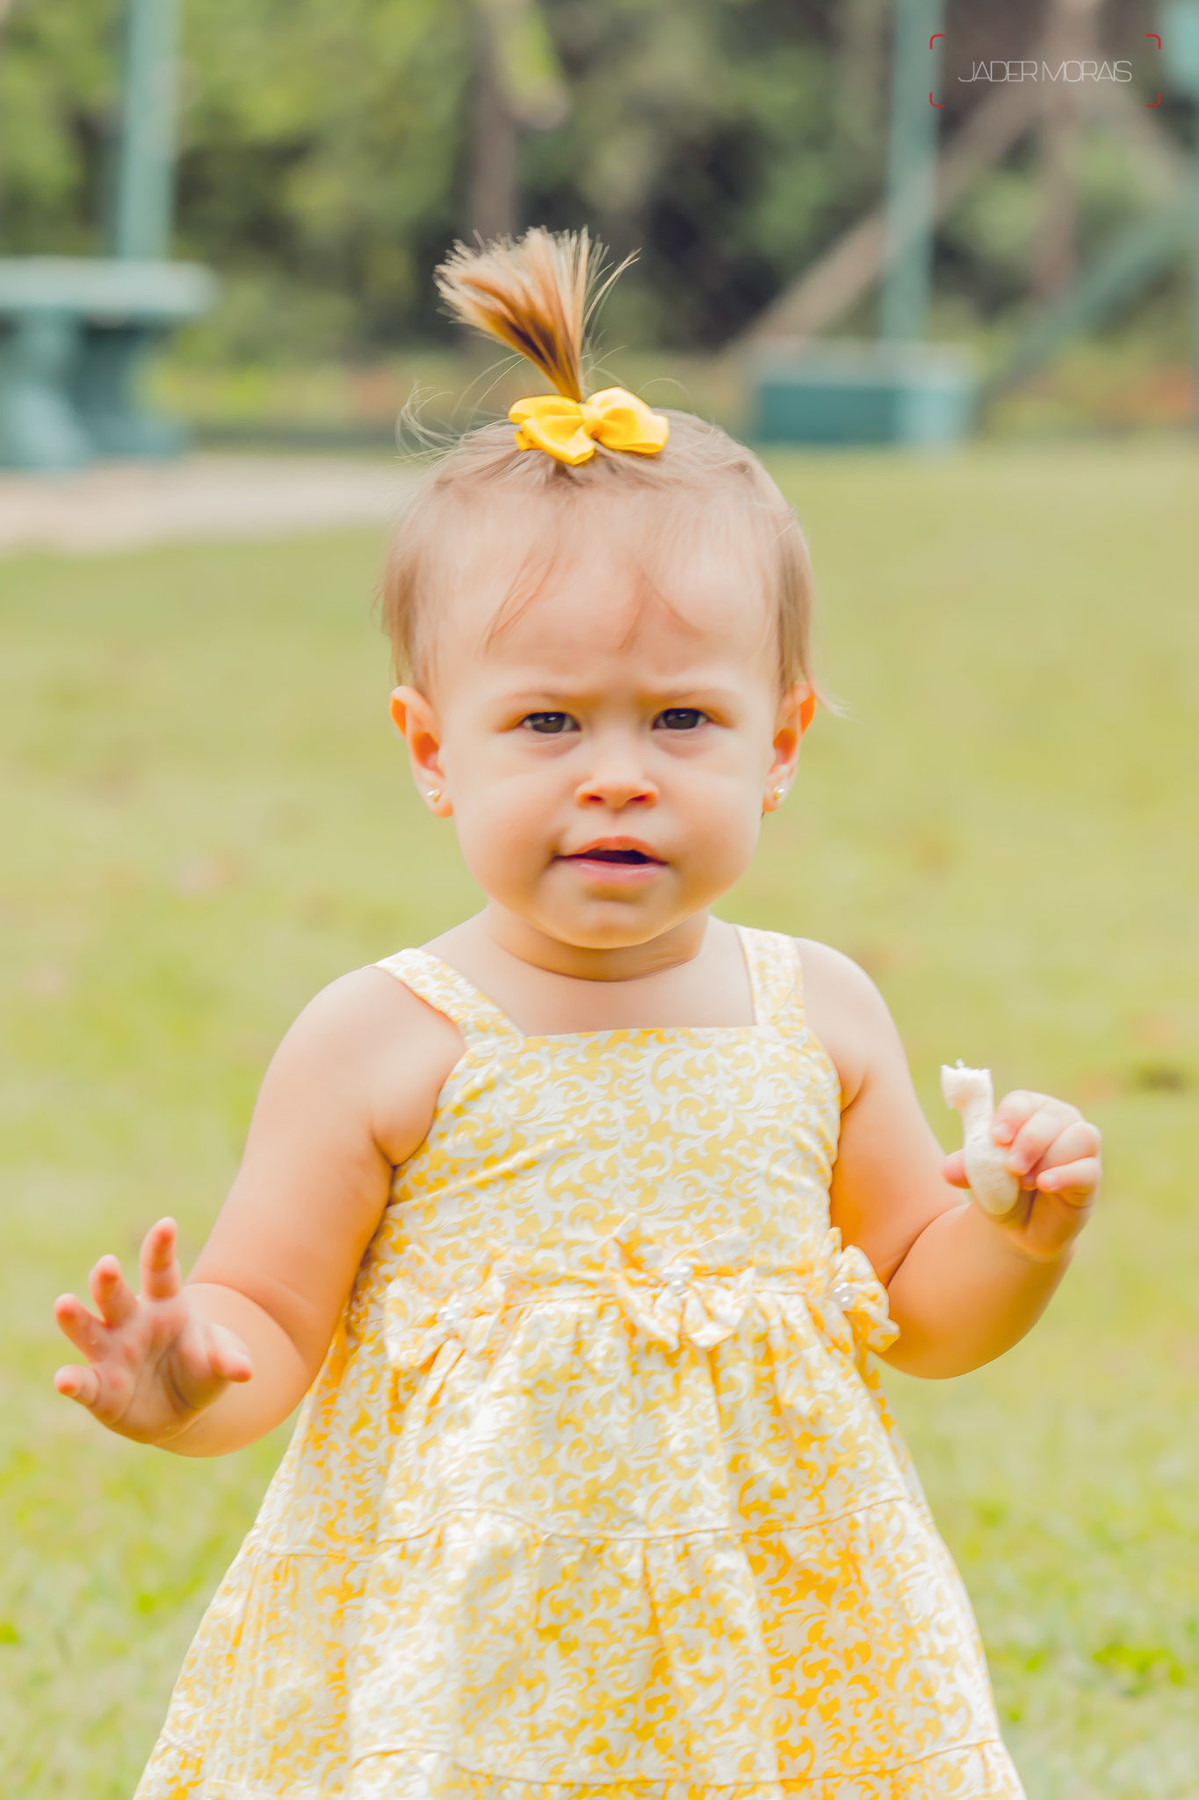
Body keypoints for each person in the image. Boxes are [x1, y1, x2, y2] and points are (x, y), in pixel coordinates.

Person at [53, 227, 1102, 1799]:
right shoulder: (383, 1039)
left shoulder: (819, 1016)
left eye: (684, 717)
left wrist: (1018, 1241)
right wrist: (190, 1372)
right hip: (468, 1662)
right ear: (430, 749)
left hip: (773, 1655)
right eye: (545, 720)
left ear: (783, 742)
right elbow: (269, 1322)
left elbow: (924, 1308)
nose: (617, 770)